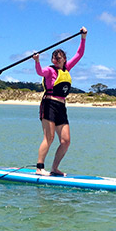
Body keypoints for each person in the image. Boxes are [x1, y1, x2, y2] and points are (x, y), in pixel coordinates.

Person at [32, 27, 87, 176]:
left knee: (65, 141)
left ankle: (54, 168)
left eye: (59, 57)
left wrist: (83, 37)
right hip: (49, 104)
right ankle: (39, 167)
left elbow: (80, 54)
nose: (56, 60)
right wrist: (37, 61)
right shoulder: (50, 71)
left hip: (61, 107)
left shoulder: (67, 69)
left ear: (64, 59)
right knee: (49, 138)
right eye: (54, 58)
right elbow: (40, 72)